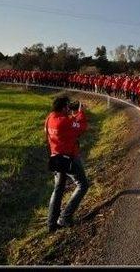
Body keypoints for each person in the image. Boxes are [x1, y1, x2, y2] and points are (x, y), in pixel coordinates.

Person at [45, 95, 90, 232]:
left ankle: (51, 222)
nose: (69, 108)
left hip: (55, 157)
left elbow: (70, 127)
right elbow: (81, 127)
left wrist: (72, 116)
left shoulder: (49, 118)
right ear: (64, 107)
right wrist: (80, 112)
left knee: (58, 189)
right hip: (69, 158)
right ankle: (65, 217)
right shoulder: (65, 121)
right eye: (68, 106)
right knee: (83, 185)